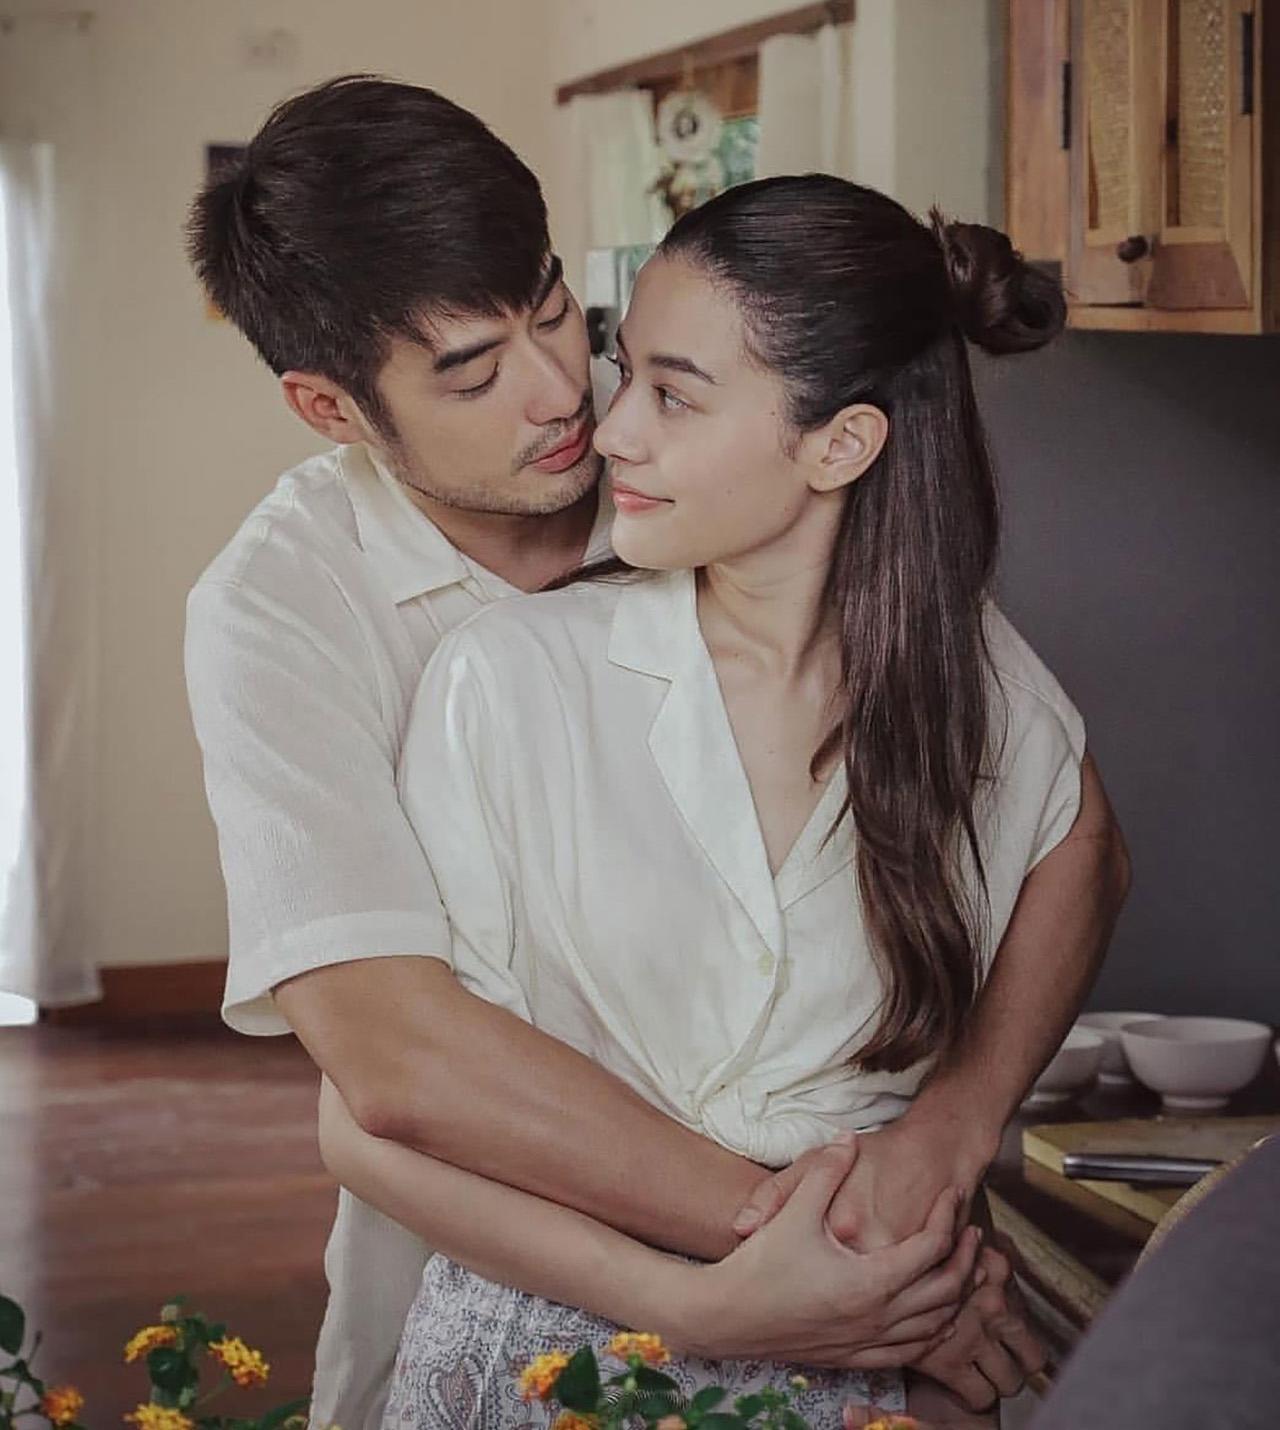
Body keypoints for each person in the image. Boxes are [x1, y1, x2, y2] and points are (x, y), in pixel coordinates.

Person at [184, 77, 1127, 1430]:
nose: (570, 396)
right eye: (474, 371)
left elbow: (1071, 827)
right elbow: (391, 1063)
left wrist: (949, 1131)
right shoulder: (292, 613)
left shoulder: (747, 514)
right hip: (527, 1296)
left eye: (559, 311)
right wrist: (830, 1265)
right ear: (331, 409)